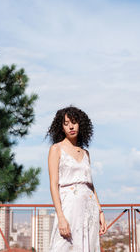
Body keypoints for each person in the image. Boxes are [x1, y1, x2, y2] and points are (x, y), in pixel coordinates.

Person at [47, 106, 107, 251]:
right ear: (61, 128)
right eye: (66, 123)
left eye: (74, 122)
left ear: (81, 124)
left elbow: (91, 186)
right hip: (69, 208)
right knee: (62, 246)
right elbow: (53, 184)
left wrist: (100, 212)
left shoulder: (86, 153)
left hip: (89, 210)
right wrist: (60, 216)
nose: (71, 126)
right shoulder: (56, 149)